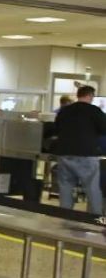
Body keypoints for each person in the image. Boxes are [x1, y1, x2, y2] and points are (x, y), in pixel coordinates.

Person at [53, 86, 106, 215]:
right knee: (92, 188)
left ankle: (64, 218)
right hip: (86, 154)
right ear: (91, 96)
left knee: (65, 187)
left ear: (78, 95)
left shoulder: (64, 111)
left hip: (64, 154)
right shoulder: (94, 111)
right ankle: (95, 219)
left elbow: (56, 129)